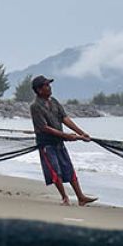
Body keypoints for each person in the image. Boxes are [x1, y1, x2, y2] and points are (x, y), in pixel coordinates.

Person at [29, 75, 97, 206]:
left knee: (68, 168)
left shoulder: (54, 101)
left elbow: (65, 119)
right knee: (55, 171)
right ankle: (65, 197)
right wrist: (66, 136)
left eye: (49, 85)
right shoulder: (35, 106)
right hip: (46, 144)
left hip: (59, 143)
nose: (49, 87)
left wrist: (81, 133)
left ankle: (80, 197)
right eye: (46, 85)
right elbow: (45, 128)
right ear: (39, 90)